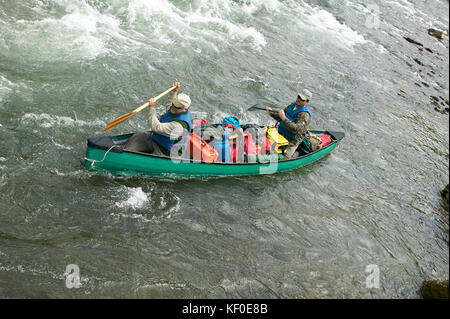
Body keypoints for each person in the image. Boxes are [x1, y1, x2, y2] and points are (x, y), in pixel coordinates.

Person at [123, 82, 192, 157]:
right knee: (139, 136)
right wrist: (173, 92)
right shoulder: (175, 109)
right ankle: (124, 153)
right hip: (155, 140)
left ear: (185, 109)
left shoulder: (179, 127)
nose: (173, 108)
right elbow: (170, 106)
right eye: (174, 104)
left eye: (177, 107)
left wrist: (152, 108)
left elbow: (156, 127)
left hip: (166, 152)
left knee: (149, 159)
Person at [266, 89, 321, 158]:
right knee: (266, 147)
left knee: (284, 159)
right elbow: (280, 117)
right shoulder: (292, 105)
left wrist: (284, 118)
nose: (299, 100)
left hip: (291, 141)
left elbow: (296, 129)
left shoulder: (305, 115)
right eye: (298, 97)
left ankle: (297, 153)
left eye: (302, 99)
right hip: (281, 134)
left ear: (307, 102)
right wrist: (272, 113)